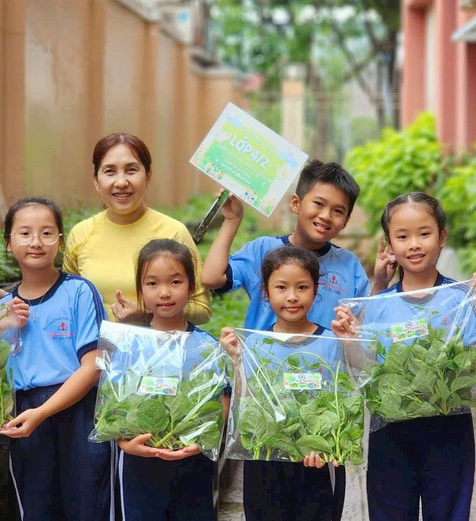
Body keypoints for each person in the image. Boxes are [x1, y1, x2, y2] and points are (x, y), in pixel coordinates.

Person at [332, 192, 476, 521]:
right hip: (390, 434)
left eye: (424, 233)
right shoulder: (378, 304)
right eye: (402, 236)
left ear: (442, 237)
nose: (415, 244)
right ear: (389, 245)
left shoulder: (462, 298)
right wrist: (350, 340)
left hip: (450, 430)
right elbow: (364, 370)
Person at [0, 197, 111, 521]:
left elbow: (92, 366)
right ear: (8, 243)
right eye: (24, 233)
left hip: (80, 409)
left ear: (60, 242)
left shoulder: (79, 291)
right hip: (24, 411)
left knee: (88, 503)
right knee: (36, 508)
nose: (36, 242)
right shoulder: (0, 308)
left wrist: (43, 412)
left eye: (47, 233)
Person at [221, 245, 347, 521]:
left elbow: (344, 401)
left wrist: (330, 445)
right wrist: (235, 361)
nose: (292, 297)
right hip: (265, 460)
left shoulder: (333, 342)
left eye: (302, 287)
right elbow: (245, 406)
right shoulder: (253, 344)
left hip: (317, 461)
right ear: (265, 292)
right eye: (281, 288)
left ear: (316, 290)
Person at [115, 238, 228, 521]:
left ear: (191, 287)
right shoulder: (130, 343)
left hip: (194, 463)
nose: (164, 293)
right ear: (140, 290)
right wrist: (123, 443)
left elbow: (222, 400)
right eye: (152, 284)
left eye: (175, 282)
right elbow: (113, 402)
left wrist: (203, 442)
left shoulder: (206, 346)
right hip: (139, 464)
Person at [202, 160, 375, 330]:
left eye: (338, 211)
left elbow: (363, 322)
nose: (325, 216)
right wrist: (232, 220)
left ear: (346, 221)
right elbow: (211, 278)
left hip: (324, 359)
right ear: (295, 203)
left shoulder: (349, 264)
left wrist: (380, 282)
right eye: (318, 204)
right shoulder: (262, 250)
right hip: (263, 358)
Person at [63, 133, 211, 325]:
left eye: (131, 170)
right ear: (96, 180)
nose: (121, 182)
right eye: (110, 171)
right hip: (93, 352)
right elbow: (69, 303)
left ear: (148, 176)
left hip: (158, 352)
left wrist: (148, 314)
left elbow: (202, 309)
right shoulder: (81, 233)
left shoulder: (173, 232)